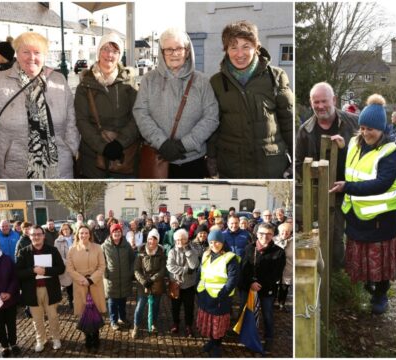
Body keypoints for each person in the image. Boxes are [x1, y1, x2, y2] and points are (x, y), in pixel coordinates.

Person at [329, 94, 396, 315]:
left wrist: (347, 188)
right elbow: (353, 166)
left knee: (380, 263)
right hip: (357, 215)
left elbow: (381, 184)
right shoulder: (355, 142)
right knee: (362, 259)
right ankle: (368, 286)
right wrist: (343, 149)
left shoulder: (390, 152)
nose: (365, 132)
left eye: (370, 128)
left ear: (381, 129)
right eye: (362, 127)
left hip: (382, 220)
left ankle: (381, 296)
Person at [0, 32, 80, 178]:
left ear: (44, 56)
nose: (32, 57)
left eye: (37, 52)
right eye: (26, 52)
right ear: (17, 54)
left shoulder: (59, 80)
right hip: (13, 169)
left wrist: (71, 148)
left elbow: (72, 119)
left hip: (59, 168)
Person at [208, 20, 294, 179]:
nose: (239, 54)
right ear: (226, 50)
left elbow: (289, 122)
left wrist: (296, 161)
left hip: (271, 167)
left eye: (246, 46)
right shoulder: (216, 82)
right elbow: (212, 126)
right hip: (232, 167)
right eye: (233, 47)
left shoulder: (276, 77)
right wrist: (211, 161)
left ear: (256, 48)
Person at [134, 27, 219, 179]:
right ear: (162, 52)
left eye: (179, 48)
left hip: (193, 160)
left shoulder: (202, 81)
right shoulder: (149, 80)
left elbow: (211, 117)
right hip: (158, 159)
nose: (174, 54)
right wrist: (161, 143)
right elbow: (141, 113)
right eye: (169, 49)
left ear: (187, 52)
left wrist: (184, 145)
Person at [296, 82, 358, 268]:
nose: (320, 106)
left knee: (358, 236)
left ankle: (358, 275)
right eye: (316, 102)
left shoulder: (354, 122)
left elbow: (369, 152)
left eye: (324, 101)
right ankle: (337, 276)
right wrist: (315, 174)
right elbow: (299, 164)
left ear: (334, 100)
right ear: (310, 102)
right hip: (324, 194)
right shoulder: (305, 131)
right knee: (332, 236)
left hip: (354, 190)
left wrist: (345, 147)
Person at [74, 33, 139, 178]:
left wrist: (120, 143)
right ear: (98, 52)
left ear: (120, 55)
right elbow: (81, 121)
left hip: (124, 156)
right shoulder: (85, 85)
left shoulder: (129, 83)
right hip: (92, 159)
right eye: (105, 49)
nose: (109, 54)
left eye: (115, 51)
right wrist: (102, 147)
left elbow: (137, 118)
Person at [15, 225, 65, 352]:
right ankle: (40, 340)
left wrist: (45, 270)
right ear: (29, 236)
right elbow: (18, 273)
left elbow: (61, 268)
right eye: (33, 234)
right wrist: (33, 270)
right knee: (37, 319)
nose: (36, 237)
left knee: (53, 316)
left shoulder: (52, 250)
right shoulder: (24, 252)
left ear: (43, 236)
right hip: (32, 291)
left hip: (50, 289)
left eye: (39, 234)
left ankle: (56, 338)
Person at [239, 223, 285, 353]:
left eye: (268, 234)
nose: (265, 236)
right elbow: (243, 269)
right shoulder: (249, 248)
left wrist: (260, 284)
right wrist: (250, 284)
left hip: (266, 290)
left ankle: (268, 338)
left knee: (267, 314)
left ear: (272, 235)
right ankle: (248, 337)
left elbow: (276, 274)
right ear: (257, 234)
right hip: (248, 288)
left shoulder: (279, 252)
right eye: (261, 233)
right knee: (247, 312)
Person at [196, 229, 240, 357]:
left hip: (221, 297)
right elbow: (201, 273)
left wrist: (223, 293)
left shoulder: (230, 258)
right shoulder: (206, 255)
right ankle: (212, 341)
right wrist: (197, 287)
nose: (214, 245)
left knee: (218, 324)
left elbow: (233, 278)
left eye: (217, 242)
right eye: (211, 242)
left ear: (222, 242)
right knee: (209, 322)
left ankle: (217, 345)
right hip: (205, 295)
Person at [66, 225, 107, 349]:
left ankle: (95, 336)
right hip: (80, 285)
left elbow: (102, 266)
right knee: (84, 312)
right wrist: (82, 279)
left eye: (86, 233)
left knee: (95, 311)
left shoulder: (98, 248)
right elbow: (70, 269)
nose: (83, 235)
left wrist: (91, 279)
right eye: (81, 233)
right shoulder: (72, 250)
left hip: (95, 284)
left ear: (90, 234)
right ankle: (87, 337)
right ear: (77, 234)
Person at [132, 229, 166, 338]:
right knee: (140, 307)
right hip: (143, 285)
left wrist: (152, 279)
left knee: (155, 305)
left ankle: (153, 323)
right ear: (147, 239)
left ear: (158, 241)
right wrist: (143, 281)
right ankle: (136, 326)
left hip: (156, 284)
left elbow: (163, 270)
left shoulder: (161, 253)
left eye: (155, 239)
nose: (152, 241)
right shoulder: (140, 252)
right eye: (150, 239)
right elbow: (136, 269)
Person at [102, 223, 135, 332]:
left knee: (122, 300)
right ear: (111, 233)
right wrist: (106, 273)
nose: (117, 233)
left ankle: (122, 318)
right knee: (112, 302)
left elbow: (132, 259)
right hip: (111, 279)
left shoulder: (126, 245)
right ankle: (113, 321)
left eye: (119, 231)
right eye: (114, 232)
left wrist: (130, 272)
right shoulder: (105, 246)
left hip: (125, 278)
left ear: (121, 233)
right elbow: (101, 262)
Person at [166, 229, 199, 336]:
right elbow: (170, 266)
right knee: (175, 307)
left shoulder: (192, 249)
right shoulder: (172, 251)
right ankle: (176, 323)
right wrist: (185, 270)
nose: (180, 241)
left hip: (189, 285)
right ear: (175, 240)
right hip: (175, 284)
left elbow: (194, 265)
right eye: (178, 240)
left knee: (189, 307)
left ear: (186, 239)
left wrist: (187, 251)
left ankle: (188, 325)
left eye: (183, 239)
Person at [54, 222, 74, 310]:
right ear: (61, 231)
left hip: (77, 265)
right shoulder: (57, 241)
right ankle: (71, 301)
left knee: (77, 284)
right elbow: (58, 255)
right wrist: (68, 263)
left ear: (70, 229)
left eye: (67, 229)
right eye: (63, 229)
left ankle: (79, 300)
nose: (65, 231)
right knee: (69, 285)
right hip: (66, 266)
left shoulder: (76, 238)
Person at [274, 222, 293, 311]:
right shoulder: (274, 240)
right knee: (274, 285)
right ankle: (273, 303)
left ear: (290, 232)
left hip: (288, 267)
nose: (285, 234)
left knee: (284, 287)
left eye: (287, 232)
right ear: (279, 232)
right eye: (282, 232)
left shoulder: (293, 242)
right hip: (275, 268)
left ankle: (282, 304)